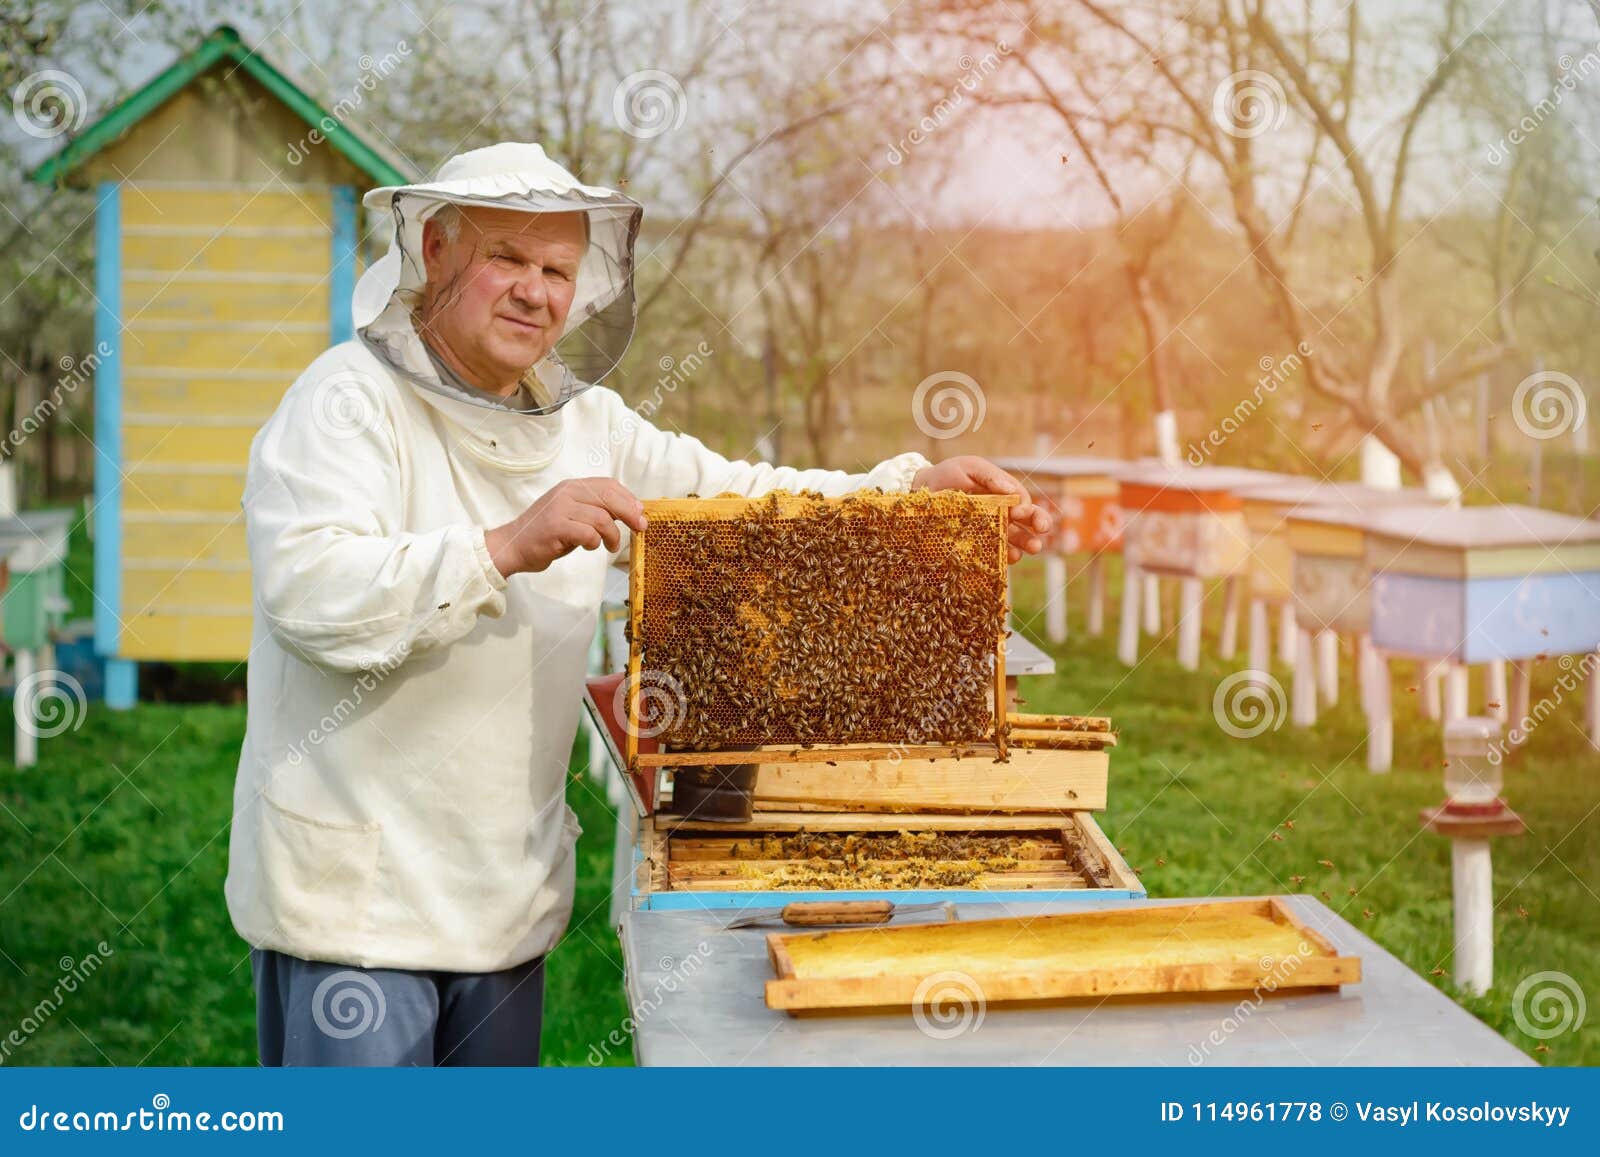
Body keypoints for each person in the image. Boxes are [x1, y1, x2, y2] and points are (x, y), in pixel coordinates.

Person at [226, 142, 1051, 1065]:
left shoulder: (587, 425)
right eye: (509, 259)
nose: (535, 293)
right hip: (360, 914)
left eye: (557, 272)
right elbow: (312, 593)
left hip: (501, 904)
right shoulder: (345, 402)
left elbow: (741, 500)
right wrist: (503, 547)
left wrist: (910, 490)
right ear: (436, 249)